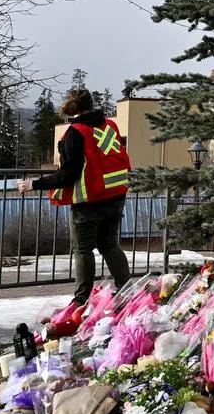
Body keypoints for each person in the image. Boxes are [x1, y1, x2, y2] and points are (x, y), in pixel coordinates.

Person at [20, 89, 132, 308]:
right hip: (116, 196)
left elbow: (68, 174)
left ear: (72, 107)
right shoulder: (110, 125)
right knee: (109, 245)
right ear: (92, 104)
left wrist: (34, 184)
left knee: (83, 250)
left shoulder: (75, 132)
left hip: (88, 202)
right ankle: (126, 289)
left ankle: (81, 300)